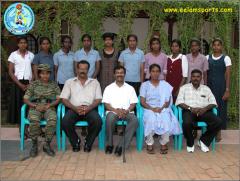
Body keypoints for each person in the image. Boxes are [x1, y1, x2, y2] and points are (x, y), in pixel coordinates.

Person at [175, 69, 222, 153]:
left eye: (198, 76)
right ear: (191, 77)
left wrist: (204, 109)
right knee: (186, 123)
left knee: (218, 122)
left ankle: (204, 141)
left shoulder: (206, 89)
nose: (195, 78)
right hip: (189, 111)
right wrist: (190, 108)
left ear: (201, 78)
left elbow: (213, 103)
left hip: (204, 111)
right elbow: (179, 102)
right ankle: (190, 143)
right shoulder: (184, 88)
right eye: (193, 76)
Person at [60, 60, 102, 152]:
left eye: (85, 69)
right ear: (77, 69)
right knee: (65, 122)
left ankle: (88, 142)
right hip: (74, 108)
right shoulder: (69, 82)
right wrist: (75, 108)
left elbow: (98, 99)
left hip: (89, 109)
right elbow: (64, 99)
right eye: (80, 68)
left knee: (98, 121)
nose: (82, 71)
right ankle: (75, 141)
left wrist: (89, 108)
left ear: (88, 70)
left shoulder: (95, 82)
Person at [140, 64, 182, 154]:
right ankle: (149, 143)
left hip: (163, 108)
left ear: (160, 73)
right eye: (153, 71)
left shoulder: (165, 85)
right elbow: (142, 102)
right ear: (150, 72)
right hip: (149, 108)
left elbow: (168, 102)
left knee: (166, 119)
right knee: (150, 119)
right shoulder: (145, 85)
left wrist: (162, 107)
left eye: (157, 71)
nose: (155, 73)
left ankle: (164, 142)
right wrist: (152, 109)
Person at [23, 64, 61, 157]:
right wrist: (35, 106)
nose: (45, 76)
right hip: (35, 107)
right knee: (34, 120)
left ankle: (47, 145)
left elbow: (59, 98)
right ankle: (34, 144)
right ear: (39, 74)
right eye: (43, 73)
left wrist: (50, 105)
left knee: (52, 119)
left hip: (49, 107)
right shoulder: (33, 84)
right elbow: (25, 99)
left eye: (47, 73)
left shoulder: (54, 85)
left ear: (50, 74)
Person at [102, 65, 138, 156]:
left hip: (127, 112)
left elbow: (133, 103)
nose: (119, 74)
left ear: (124, 74)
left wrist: (126, 110)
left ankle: (121, 146)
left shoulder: (130, 88)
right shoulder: (108, 88)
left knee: (135, 120)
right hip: (113, 111)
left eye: (121, 72)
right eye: (117, 73)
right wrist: (116, 111)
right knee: (109, 119)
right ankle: (110, 144)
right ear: (114, 74)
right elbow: (106, 104)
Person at [8, 36, 34, 138]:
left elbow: (34, 70)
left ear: (27, 44)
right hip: (17, 83)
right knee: (19, 107)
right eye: (21, 43)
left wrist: (30, 84)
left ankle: (27, 129)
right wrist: (20, 84)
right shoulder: (13, 55)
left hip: (29, 83)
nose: (23, 44)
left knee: (28, 107)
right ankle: (21, 130)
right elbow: (10, 72)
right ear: (18, 44)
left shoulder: (31, 55)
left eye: (25, 42)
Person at [206, 38, 231, 141]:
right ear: (212, 46)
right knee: (209, 108)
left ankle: (218, 132)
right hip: (209, 87)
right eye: (214, 45)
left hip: (221, 87)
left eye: (218, 45)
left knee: (220, 109)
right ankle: (210, 131)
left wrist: (227, 90)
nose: (216, 47)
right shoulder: (207, 57)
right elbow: (205, 73)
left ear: (221, 46)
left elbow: (228, 75)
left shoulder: (226, 58)